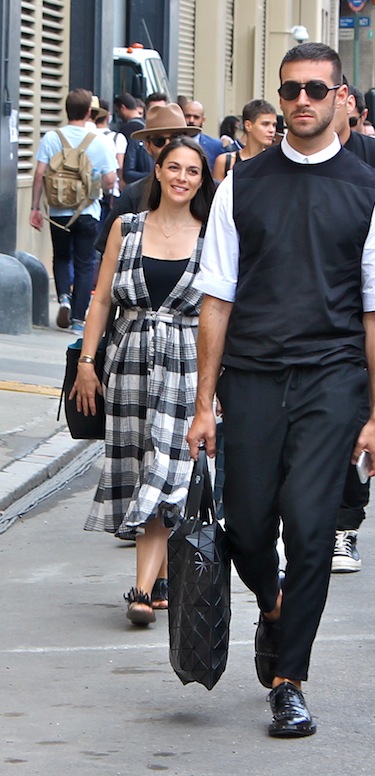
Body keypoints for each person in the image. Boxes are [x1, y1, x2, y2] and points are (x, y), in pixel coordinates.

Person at [186, 42, 375, 737]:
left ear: (341, 97)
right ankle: (274, 606)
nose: (302, 100)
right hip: (251, 378)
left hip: (332, 380)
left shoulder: (373, 191)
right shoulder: (241, 185)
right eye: (290, 90)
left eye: (315, 88)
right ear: (279, 98)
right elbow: (216, 298)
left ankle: (290, 680)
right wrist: (202, 403)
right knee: (248, 527)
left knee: (311, 529)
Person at [72, 136, 216, 626]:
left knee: (165, 469)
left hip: (186, 365)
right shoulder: (127, 227)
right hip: (128, 362)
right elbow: (100, 300)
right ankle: (160, 579)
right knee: (142, 469)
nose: (181, 178)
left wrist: (217, 384)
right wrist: (87, 363)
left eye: (192, 171)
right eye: (173, 167)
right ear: (157, 171)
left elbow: (223, 312)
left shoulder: (213, 235)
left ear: (201, 180)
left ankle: (139, 590)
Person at [329, 77, 375, 573]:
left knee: (355, 424)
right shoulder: (279, 165)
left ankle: (345, 529)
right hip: (300, 322)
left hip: (360, 318)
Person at [29, 88, 116, 333]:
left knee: (61, 257)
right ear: (89, 112)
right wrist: (98, 187)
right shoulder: (100, 141)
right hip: (88, 211)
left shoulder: (51, 138)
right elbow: (110, 179)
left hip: (58, 212)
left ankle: (64, 299)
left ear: (66, 110)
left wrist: (35, 207)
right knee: (85, 263)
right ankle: (78, 319)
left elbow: (39, 174)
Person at [95, 103, 201, 256]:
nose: (168, 146)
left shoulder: (207, 191)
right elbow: (108, 248)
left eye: (176, 138)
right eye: (159, 141)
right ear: (148, 146)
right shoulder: (134, 193)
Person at [212, 99, 277, 182]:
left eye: (274, 125)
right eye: (265, 124)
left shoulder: (276, 162)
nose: (272, 130)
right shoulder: (225, 161)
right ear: (248, 125)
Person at [122, 93, 169, 185]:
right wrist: (155, 175)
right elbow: (128, 174)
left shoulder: (176, 139)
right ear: (146, 113)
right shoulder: (137, 139)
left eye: (162, 110)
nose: (158, 114)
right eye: (154, 110)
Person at [183, 100, 223, 170]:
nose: (191, 120)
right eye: (188, 116)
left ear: (203, 120)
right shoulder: (171, 142)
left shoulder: (215, 146)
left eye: (196, 117)